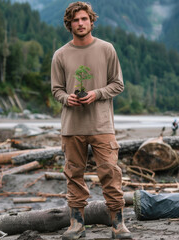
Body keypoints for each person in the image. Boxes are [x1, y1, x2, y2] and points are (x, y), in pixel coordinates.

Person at [51, 2, 132, 239]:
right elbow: (56, 89)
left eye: (84, 19)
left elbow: (118, 84)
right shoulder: (60, 55)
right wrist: (67, 99)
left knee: (110, 173)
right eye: (75, 20)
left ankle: (118, 225)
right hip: (72, 127)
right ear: (69, 24)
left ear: (91, 21)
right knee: (73, 175)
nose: (80, 23)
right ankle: (76, 225)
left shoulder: (107, 49)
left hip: (102, 125)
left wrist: (96, 94)